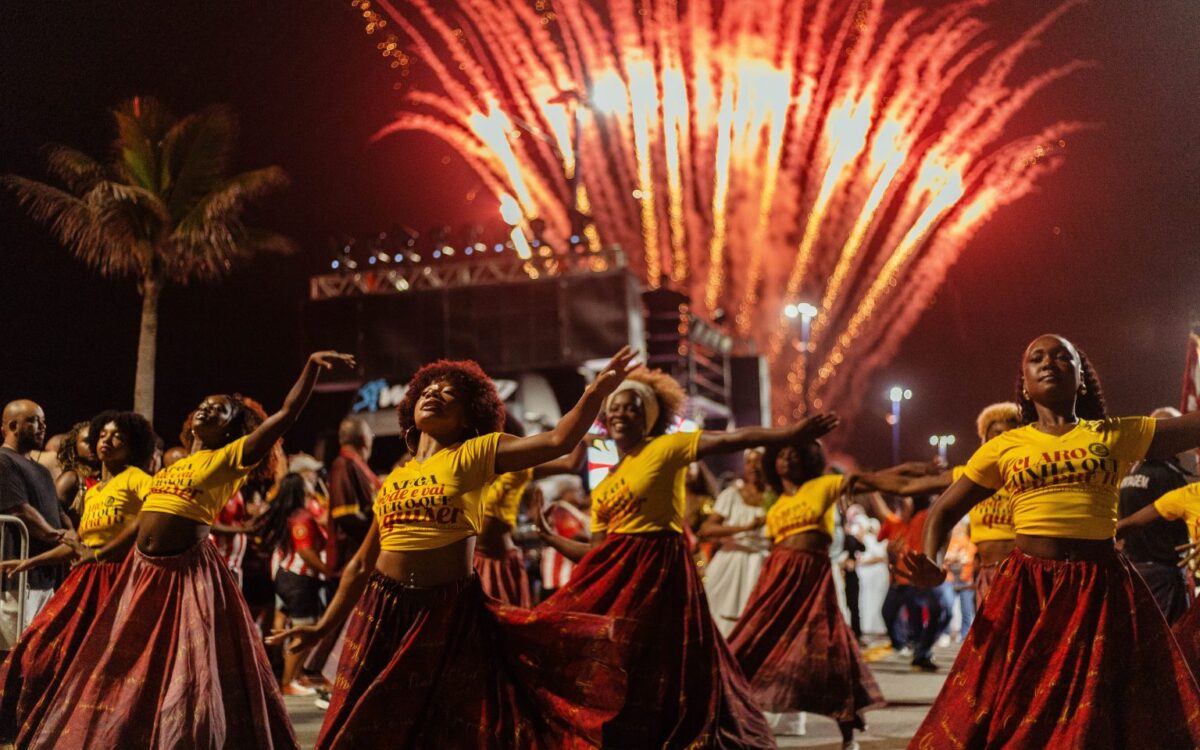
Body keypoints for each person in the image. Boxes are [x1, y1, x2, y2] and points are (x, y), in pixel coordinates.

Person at [270, 350, 638, 749]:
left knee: (446, 726)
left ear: (469, 417)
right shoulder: (397, 476)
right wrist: (323, 627)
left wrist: (595, 393)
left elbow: (557, 440)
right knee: (365, 723)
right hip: (383, 610)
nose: (435, 393)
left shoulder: (475, 454)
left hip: (446, 613)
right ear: (411, 408)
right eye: (428, 388)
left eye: (450, 393)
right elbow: (361, 564)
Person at [26, 351, 355, 749]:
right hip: (143, 572)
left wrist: (311, 368)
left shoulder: (232, 458)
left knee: (189, 673)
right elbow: (141, 522)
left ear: (233, 428)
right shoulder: (170, 467)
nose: (206, 411)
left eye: (218, 411)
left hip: (186, 576)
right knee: (128, 663)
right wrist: (102, 553)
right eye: (203, 406)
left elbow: (285, 414)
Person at [901, 334, 1200, 748]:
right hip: (1027, 589)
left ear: (1081, 378)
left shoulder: (1116, 434)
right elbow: (944, 511)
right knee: (1011, 702)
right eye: (1036, 358)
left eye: (1063, 357)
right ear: (1024, 383)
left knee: (1097, 706)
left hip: (1100, 589)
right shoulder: (1004, 447)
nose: (1049, 363)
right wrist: (932, 562)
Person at [532, 367, 838, 748]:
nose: (620, 415)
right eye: (614, 410)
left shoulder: (665, 448)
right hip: (620, 578)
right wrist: (551, 538)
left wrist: (788, 435)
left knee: (666, 664)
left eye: (630, 409)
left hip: (661, 571)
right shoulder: (606, 482)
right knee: (615, 660)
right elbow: (598, 552)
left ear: (647, 417)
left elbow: (732, 438)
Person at [0, 410, 155, 746]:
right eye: (102, 435)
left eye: (117, 437)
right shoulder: (95, 491)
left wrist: (101, 555)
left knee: (113, 664)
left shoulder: (138, 479)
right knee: (40, 651)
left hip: (120, 580)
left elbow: (147, 520)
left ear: (133, 447)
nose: (106, 441)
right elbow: (80, 546)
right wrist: (29, 562)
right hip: (86, 580)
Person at [727, 438, 884, 750]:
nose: (787, 459)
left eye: (794, 454)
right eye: (781, 454)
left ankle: (848, 735)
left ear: (808, 459)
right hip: (777, 582)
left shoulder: (823, 486)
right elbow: (775, 550)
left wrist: (917, 476)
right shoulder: (777, 506)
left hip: (814, 581)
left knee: (829, 652)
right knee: (748, 648)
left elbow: (870, 481)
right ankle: (734, 726)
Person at [0, 400, 71, 648]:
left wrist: (70, 533)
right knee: (11, 652)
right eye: (33, 421)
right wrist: (57, 536)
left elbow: (59, 512)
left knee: (37, 653)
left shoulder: (40, 470)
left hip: (44, 578)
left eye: (43, 421)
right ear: (12, 425)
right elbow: (20, 509)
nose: (42, 426)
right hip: (16, 581)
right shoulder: (4, 461)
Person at [1117, 406, 1192, 622]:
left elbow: (1126, 523)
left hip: (1133, 570)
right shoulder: (1169, 476)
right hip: (1164, 575)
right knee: (1171, 642)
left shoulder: (1129, 474)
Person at [259, 472, 330, 696]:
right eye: (307, 482)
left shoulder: (298, 514)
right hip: (298, 579)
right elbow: (305, 551)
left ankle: (295, 675)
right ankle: (288, 681)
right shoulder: (301, 517)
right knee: (305, 629)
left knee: (298, 626)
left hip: (290, 577)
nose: (312, 484)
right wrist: (328, 571)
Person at [699, 448, 770, 637]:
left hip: (762, 565)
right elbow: (706, 530)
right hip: (731, 563)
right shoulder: (731, 495)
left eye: (758, 462)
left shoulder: (773, 497)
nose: (753, 467)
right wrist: (745, 527)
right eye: (749, 462)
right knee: (722, 622)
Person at [325, 416, 379, 581]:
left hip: (361, 560)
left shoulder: (356, 465)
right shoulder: (344, 464)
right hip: (350, 563)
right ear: (364, 439)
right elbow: (345, 514)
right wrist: (377, 532)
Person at [537, 477, 589, 601]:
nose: (581, 493)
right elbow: (577, 535)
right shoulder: (560, 508)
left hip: (567, 576)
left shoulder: (572, 510)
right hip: (559, 576)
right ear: (565, 492)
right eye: (577, 490)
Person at [53, 421, 98, 523]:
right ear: (74, 447)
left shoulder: (104, 477)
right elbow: (53, 511)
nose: (92, 446)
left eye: (96, 441)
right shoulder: (71, 477)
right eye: (87, 441)